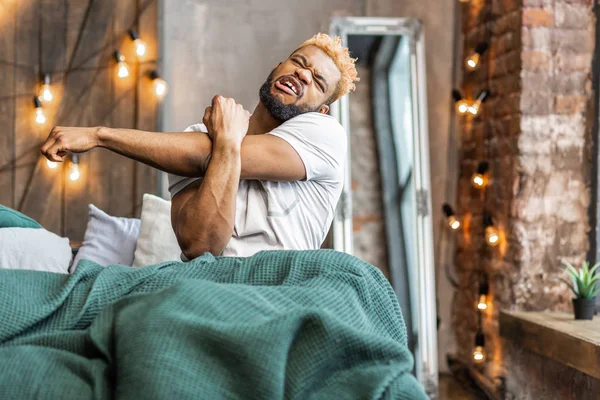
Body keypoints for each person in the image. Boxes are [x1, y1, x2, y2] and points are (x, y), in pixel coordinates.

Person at [41, 33, 359, 260]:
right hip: (207, 285)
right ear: (278, 67)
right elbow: (200, 245)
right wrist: (227, 143)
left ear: (322, 110)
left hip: (277, 289)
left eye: (318, 82)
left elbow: (203, 154)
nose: (302, 73)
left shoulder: (326, 134)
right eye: (298, 62)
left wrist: (100, 135)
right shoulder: (194, 137)